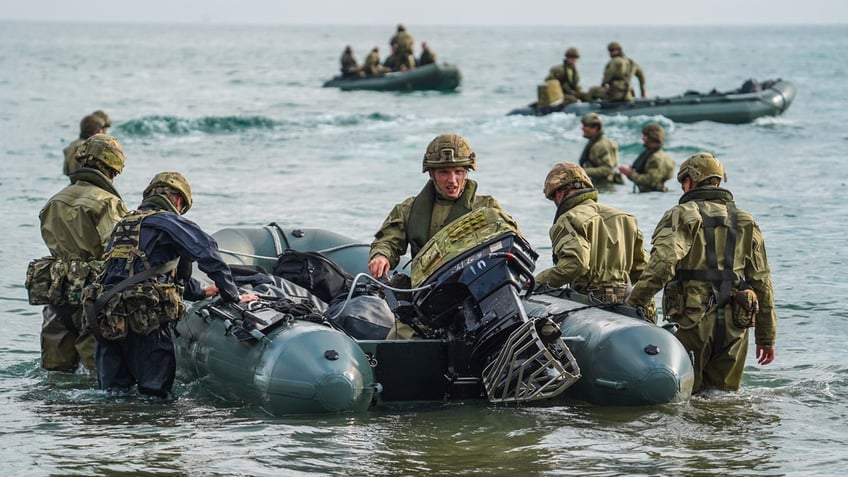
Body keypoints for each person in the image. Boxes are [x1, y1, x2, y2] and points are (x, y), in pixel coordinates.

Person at [90, 172, 258, 398]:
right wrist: (233, 295)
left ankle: (117, 430)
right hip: (146, 324)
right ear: (178, 200)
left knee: (112, 396)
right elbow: (209, 252)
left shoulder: (123, 225)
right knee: (155, 396)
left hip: (108, 321)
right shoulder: (170, 222)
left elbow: (143, 274)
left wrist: (200, 292)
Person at [626, 153, 777, 393]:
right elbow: (762, 282)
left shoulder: (681, 214)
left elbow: (662, 265)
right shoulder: (746, 221)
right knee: (724, 401)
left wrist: (633, 304)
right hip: (736, 326)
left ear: (690, 181)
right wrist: (766, 337)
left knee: (686, 397)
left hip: (692, 321)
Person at [32, 134, 129, 372]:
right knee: (97, 372)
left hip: (57, 294)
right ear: (113, 167)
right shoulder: (107, 202)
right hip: (92, 297)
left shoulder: (55, 200)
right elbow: (118, 251)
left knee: (56, 373)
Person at [368, 134, 509, 280]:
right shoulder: (408, 209)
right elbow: (385, 240)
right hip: (428, 288)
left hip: (476, 285)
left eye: (458, 172)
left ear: (466, 173)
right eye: (444, 172)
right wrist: (381, 256)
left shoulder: (486, 208)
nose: (452, 181)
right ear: (431, 174)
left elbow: (510, 241)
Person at [536, 162, 649, 306]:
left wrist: (536, 284)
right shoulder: (625, 218)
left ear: (558, 193)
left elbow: (576, 264)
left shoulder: (568, 219)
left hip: (589, 303)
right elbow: (641, 269)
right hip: (624, 303)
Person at [618, 123, 676, 192]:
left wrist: (630, 173)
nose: (642, 138)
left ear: (652, 137)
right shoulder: (661, 155)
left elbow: (650, 181)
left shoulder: (655, 158)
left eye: (645, 135)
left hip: (653, 194)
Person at [578, 113, 622, 185]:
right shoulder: (593, 142)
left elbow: (607, 170)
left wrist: (582, 171)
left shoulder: (602, 145)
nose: (582, 128)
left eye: (585, 126)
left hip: (605, 186)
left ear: (595, 127)